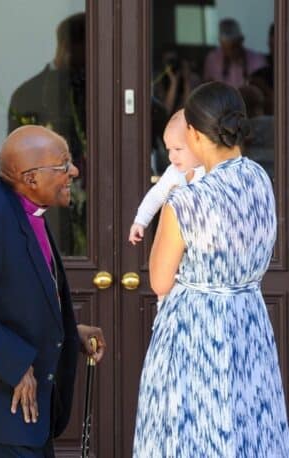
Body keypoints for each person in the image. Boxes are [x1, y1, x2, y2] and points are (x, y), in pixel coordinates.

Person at [133, 81, 289, 456]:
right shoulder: (259, 180)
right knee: (248, 426)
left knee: (190, 434)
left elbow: (159, 279)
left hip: (195, 329)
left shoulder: (186, 199)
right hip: (248, 322)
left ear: (193, 132)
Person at [0, 125, 106, 458]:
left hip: (27, 420)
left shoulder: (26, 209)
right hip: (0, 417)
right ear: (31, 178)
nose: (74, 171)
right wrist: (15, 364)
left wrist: (71, 332)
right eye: (63, 165)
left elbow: (16, 297)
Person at [8, 12, 87, 255]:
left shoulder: (95, 87)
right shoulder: (29, 94)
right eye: (88, 49)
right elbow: (16, 165)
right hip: (49, 212)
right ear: (68, 46)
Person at [128, 109, 204, 245]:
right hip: (181, 243)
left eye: (178, 149)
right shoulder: (174, 172)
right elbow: (156, 195)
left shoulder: (213, 169)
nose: (171, 156)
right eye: (169, 149)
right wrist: (140, 221)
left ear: (199, 142)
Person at [203, 18, 266, 88]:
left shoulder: (257, 60)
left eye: (234, 47)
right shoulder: (212, 59)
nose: (231, 52)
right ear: (220, 43)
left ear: (241, 40)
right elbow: (207, 87)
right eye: (226, 48)